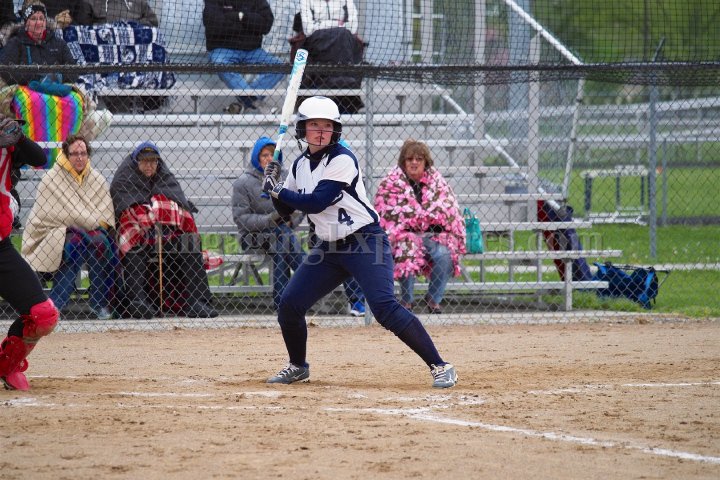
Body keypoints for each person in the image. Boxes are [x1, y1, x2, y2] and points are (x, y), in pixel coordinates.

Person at [261, 96, 457, 388]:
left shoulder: (342, 159)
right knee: (290, 304)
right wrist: (274, 190)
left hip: (364, 242)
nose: (321, 131)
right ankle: (298, 366)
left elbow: (316, 202)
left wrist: (277, 189)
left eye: (327, 126)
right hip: (328, 248)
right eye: (314, 125)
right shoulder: (300, 165)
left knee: (384, 307)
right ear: (302, 129)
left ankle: (441, 365)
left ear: (335, 130)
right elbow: (287, 211)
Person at [231, 136, 366, 313]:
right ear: (256, 158)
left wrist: (290, 220)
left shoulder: (285, 176)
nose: (269, 159)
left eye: (272, 155)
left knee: (282, 244)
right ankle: (311, 276)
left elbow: (300, 207)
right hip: (253, 236)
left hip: (281, 234)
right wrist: (270, 220)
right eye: (264, 155)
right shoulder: (243, 183)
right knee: (284, 239)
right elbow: (241, 218)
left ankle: (282, 304)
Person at [110, 141, 218, 319]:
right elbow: (125, 209)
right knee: (134, 247)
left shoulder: (164, 175)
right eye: (145, 161)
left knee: (190, 242)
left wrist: (158, 208)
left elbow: (177, 201)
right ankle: (137, 301)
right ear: (136, 162)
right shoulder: (124, 178)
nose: (149, 166)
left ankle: (197, 302)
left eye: (153, 161)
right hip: (139, 234)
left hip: (165, 234)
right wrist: (151, 211)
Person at [21, 134, 117, 320]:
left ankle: (99, 304)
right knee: (76, 245)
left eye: (83, 153)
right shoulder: (51, 178)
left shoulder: (97, 179)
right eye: (74, 154)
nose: (79, 158)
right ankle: (56, 305)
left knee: (99, 242)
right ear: (66, 154)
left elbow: (106, 216)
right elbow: (49, 214)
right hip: (54, 233)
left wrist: (83, 222)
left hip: (88, 233)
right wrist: (88, 221)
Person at [0, 114, 59, 390]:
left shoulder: (6, 141)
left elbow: (40, 158)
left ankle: (6, 366)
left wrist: (19, 137)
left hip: (1, 249)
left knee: (43, 315)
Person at [374, 140, 466, 314]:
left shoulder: (437, 182)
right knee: (407, 249)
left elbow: (449, 210)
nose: (414, 162)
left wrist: (426, 222)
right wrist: (414, 222)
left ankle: (433, 299)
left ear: (426, 162)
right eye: (410, 159)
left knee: (444, 255)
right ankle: (407, 301)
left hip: (432, 235)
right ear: (403, 162)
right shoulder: (391, 183)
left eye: (419, 159)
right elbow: (385, 214)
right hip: (401, 237)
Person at [202, 0, 284, 114]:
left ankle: (245, 103)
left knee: (280, 67)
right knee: (219, 62)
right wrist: (249, 25)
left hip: (252, 50)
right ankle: (255, 102)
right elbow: (215, 26)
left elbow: (265, 25)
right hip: (222, 48)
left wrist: (241, 16)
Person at [293, 0, 364, 113]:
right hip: (316, 44)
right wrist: (337, 24)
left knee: (343, 35)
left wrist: (320, 24)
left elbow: (353, 27)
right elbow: (308, 30)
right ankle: (338, 85)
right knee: (341, 34)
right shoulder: (306, 1)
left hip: (343, 42)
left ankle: (340, 87)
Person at [0, 2, 78, 86]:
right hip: (25, 90)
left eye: (41, 18)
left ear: (45, 22)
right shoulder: (15, 43)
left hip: (55, 89)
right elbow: (4, 71)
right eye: (33, 19)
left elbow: (74, 71)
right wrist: (38, 78)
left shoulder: (59, 43)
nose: (38, 23)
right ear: (26, 23)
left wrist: (58, 77)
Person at [85, 0, 158, 26]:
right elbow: (83, 29)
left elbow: (153, 22)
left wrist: (132, 25)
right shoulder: (90, 2)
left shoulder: (139, 2)